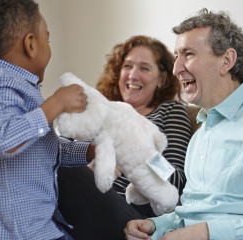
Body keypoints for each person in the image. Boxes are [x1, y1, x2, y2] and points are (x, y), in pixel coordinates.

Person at [124, 8, 243, 240]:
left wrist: (208, 233)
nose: (176, 68)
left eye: (188, 54)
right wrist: (154, 225)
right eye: (176, 56)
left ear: (227, 61)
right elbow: (190, 214)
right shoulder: (202, 134)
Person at [0, 0, 95, 239]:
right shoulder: (0, 83)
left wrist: (90, 151)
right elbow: (3, 139)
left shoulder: (17, 86)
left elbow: (45, 147)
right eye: (48, 39)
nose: (49, 46)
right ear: (31, 44)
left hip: (38, 228)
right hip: (17, 233)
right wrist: (56, 103)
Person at [57, 35, 192, 239]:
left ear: (162, 79)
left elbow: (177, 180)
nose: (132, 75)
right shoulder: (100, 112)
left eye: (144, 68)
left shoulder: (170, 112)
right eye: (127, 66)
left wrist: (138, 152)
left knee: (60, 168)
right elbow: (63, 146)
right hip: (78, 198)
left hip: (128, 211)